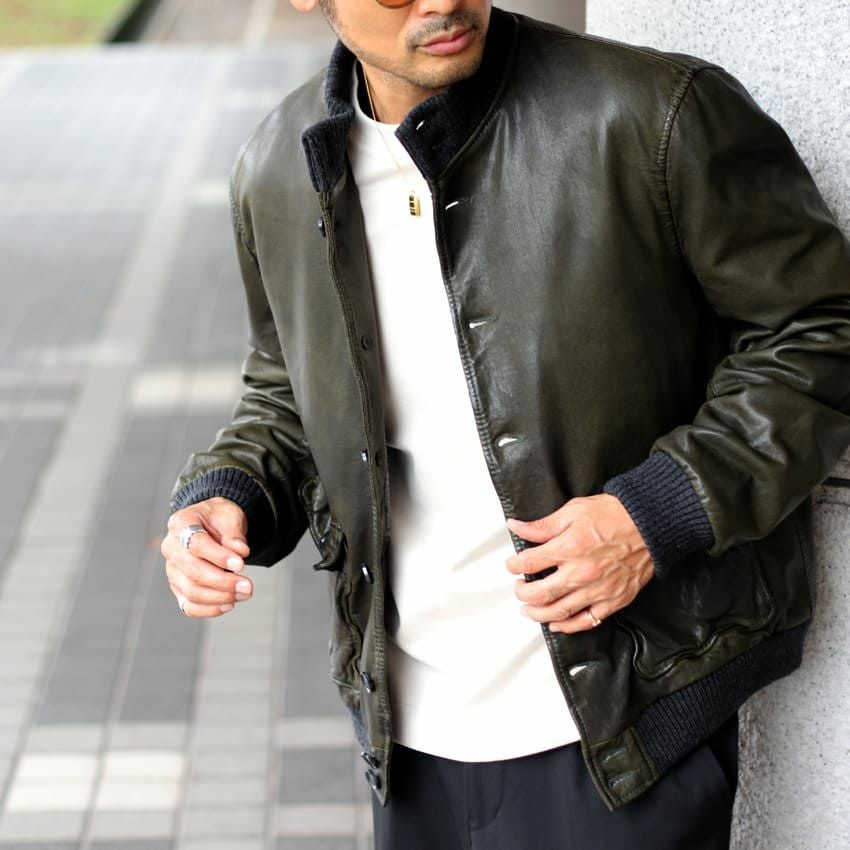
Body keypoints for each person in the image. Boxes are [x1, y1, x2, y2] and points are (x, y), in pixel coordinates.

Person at [160, 1, 850, 847]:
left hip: (618, 723)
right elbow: (286, 388)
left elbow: (820, 329)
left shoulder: (653, 114)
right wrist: (230, 494)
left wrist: (657, 513)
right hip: (408, 734)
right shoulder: (276, 166)